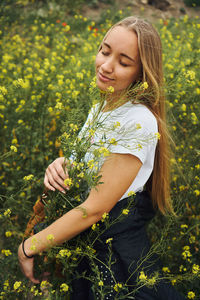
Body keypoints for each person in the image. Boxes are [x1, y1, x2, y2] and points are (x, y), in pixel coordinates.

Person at [18, 16, 185, 299]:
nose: (106, 66)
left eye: (123, 61)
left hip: (116, 256)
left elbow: (95, 208)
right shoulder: (101, 108)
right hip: (91, 245)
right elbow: (87, 174)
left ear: (141, 73)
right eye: (105, 51)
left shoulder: (138, 120)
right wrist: (60, 166)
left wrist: (29, 247)